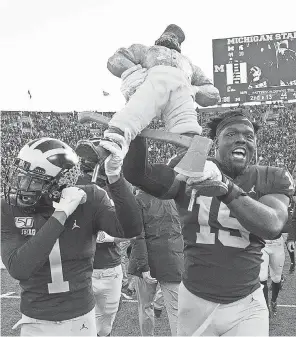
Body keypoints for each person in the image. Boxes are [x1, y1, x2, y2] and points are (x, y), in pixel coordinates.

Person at [122, 109, 295, 336]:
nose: (241, 139)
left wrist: (224, 186)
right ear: (216, 142)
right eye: (231, 134)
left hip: (246, 302)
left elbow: (272, 226)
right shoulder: (192, 167)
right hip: (195, 299)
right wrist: (138, 114)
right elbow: (138, 174)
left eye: (248, 135)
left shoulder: (271, 176)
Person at [1, 137, 142, 336]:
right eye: (21, 176)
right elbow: (19, 267)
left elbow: (131, 228)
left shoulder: (90, 197)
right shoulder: (8, 208)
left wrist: (115, 177)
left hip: (81, 316)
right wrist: (62, 213)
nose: (22, 185)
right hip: (35, 318)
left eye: (33, 180)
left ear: (59, 183)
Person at [76, 24, 220, 164]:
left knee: (188, 123)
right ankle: (110, 144)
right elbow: (116, 59)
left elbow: (213, 93)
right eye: (169, 35)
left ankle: (194, 166)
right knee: (138, 107)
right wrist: (136, 73)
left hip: (181, 93)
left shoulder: (189, 65)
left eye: (175, 37)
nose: (171, 38)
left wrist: (195, 90)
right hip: (152, 85)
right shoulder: (145, 50)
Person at [77, 167, 133, 336]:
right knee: (82, 320)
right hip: (82, 266)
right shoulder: (75, 187)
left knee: (106, 322)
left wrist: (111, 237)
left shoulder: (118, 189)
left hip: (110, 266)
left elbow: (135, 230)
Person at [128, 189, 184, 336]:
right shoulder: (174, 196)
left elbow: (137, 235)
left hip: (155, 259)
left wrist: (143, 266)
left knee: (147, 307)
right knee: (175, 310)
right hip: (172, 258)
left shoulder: (139, 198)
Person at [259, 234, 286, 317]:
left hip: (277, 243)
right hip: (261, 243)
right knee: (262, 277)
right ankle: (265, 308)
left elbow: (289, 222)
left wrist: (290, 239)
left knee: (277, 278)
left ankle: (273, 300)